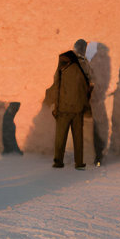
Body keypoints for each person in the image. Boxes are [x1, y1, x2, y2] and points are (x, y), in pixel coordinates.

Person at [46, 38, 94, 169]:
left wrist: (55, 104)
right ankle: (79, 163)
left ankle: (58, 161)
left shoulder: (64, 59)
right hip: (78, 107)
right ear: (84, 49)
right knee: (78, 137)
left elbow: (57, 83)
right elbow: (91, 83)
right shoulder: (85, 64)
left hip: (64, 106)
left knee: (60, 136)